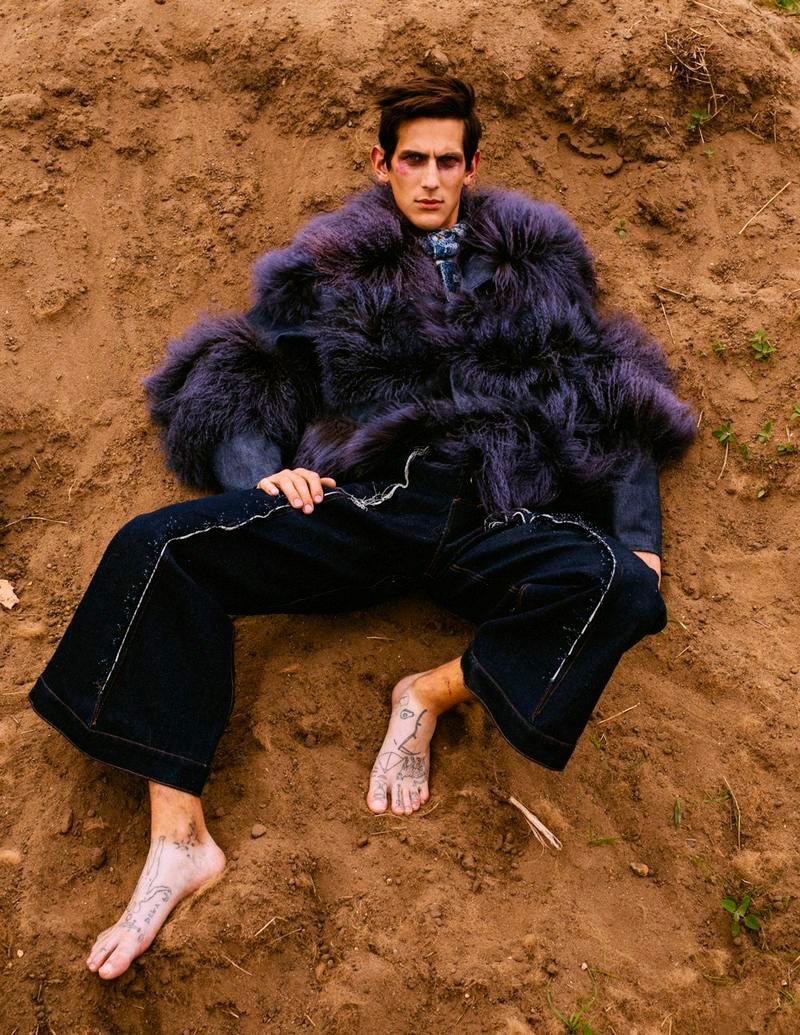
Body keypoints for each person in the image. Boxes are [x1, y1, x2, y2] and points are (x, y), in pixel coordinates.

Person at [28, 77, 696, 980]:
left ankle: (428, 694)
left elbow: (608, 389)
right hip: (377, 500)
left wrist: (638, 530)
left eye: (448, 161)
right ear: (382, 163)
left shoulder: (538, 264)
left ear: (473, 166)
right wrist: (260, 468)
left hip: (498, 507)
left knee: (628, 587)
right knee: (157, 547)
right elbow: (235, 368)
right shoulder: (332, 265)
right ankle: (179, 839)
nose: (431, 179)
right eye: (413, 160)